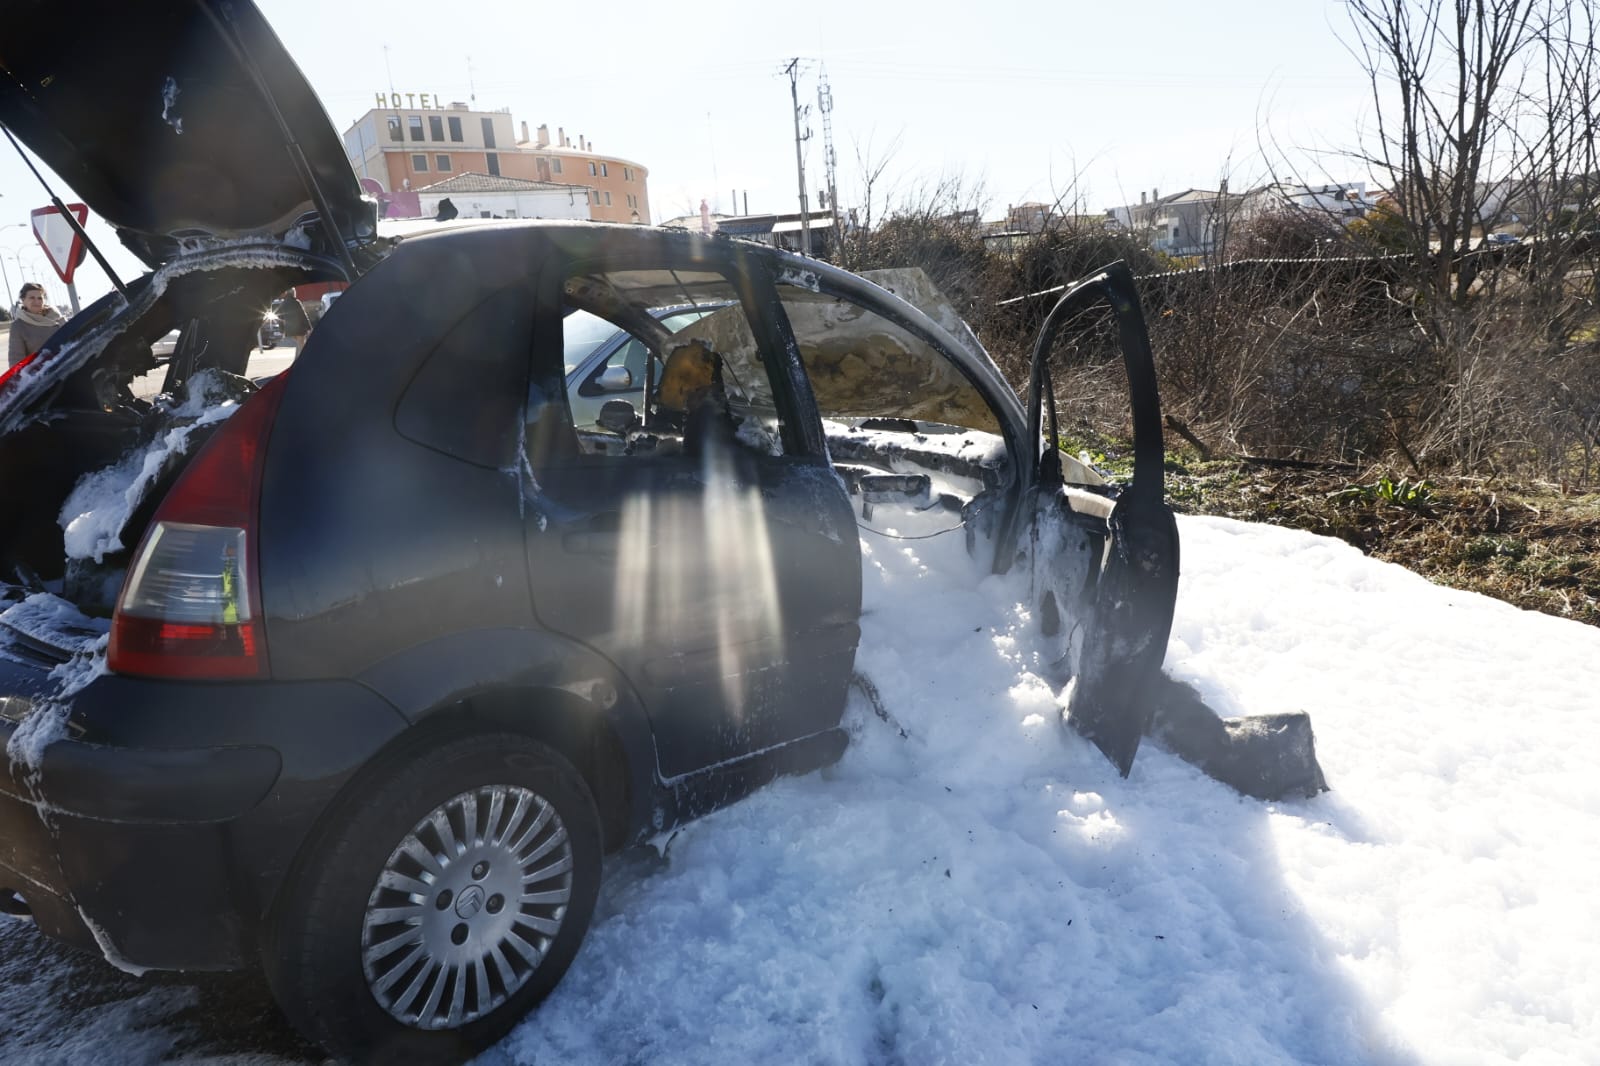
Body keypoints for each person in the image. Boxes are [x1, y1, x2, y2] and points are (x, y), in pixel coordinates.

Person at [8, 282, 66, 366]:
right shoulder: (18, 326)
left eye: (40, 298)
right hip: (42, 375)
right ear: (23, 300)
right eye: (32, 298)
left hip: (67, 365)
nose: (37, 301)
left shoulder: (56, 316)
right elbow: (16, 360)